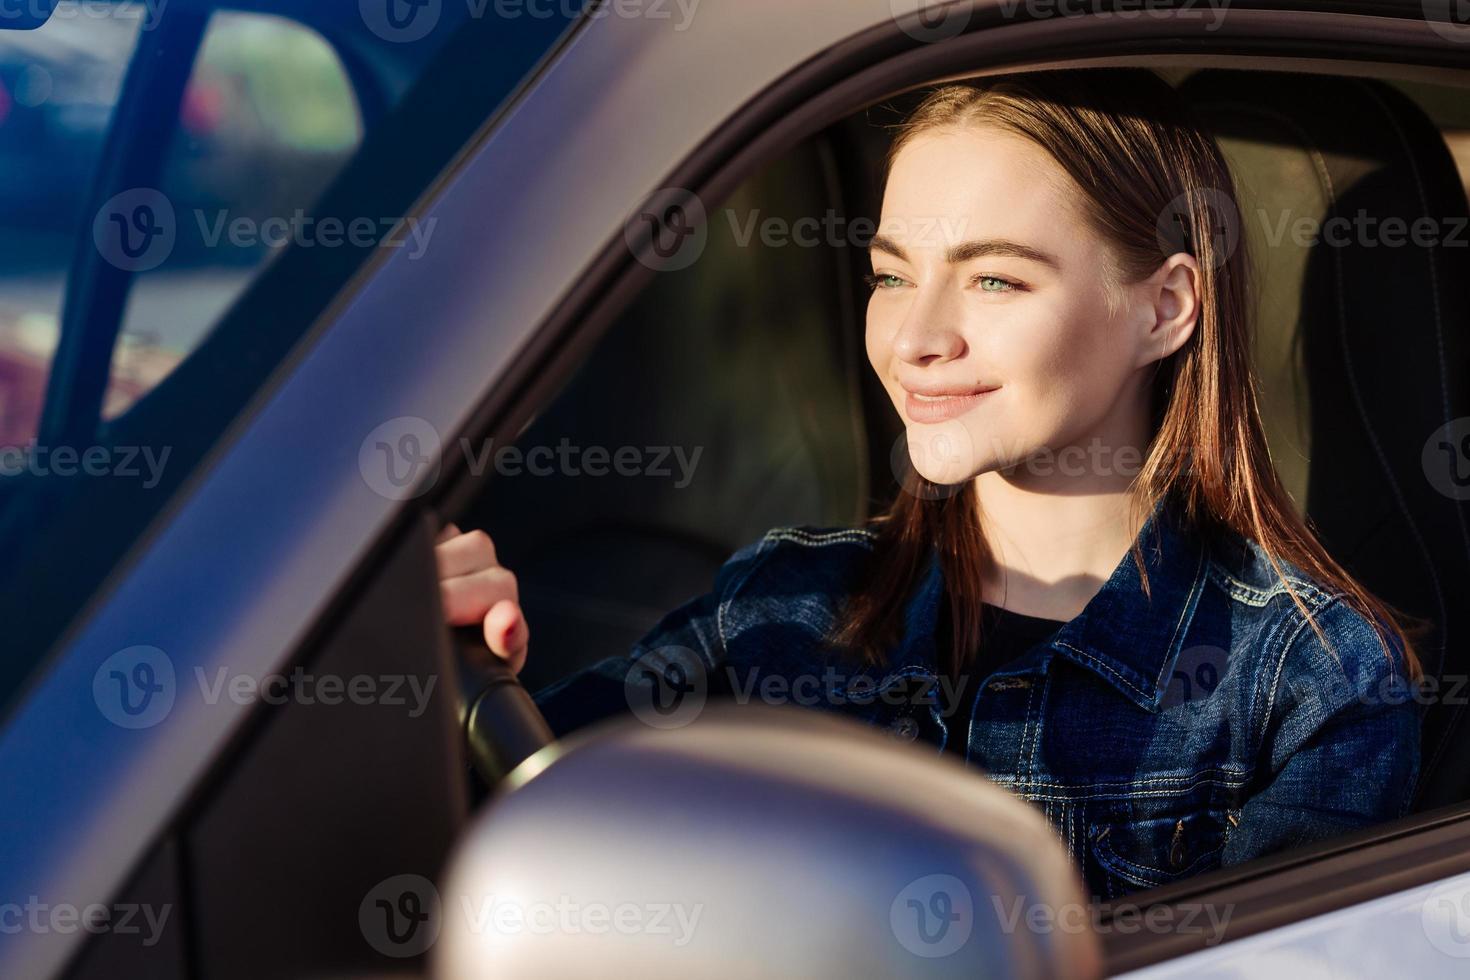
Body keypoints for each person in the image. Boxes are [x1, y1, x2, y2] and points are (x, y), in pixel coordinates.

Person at [433, 68, 1425, 900]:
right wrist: (427, 661)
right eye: (892, 273)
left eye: (994, 278)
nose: (915, 337)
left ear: (1164, 307)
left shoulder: (1309, 680)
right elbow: (468, 836)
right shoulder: (777, 609)